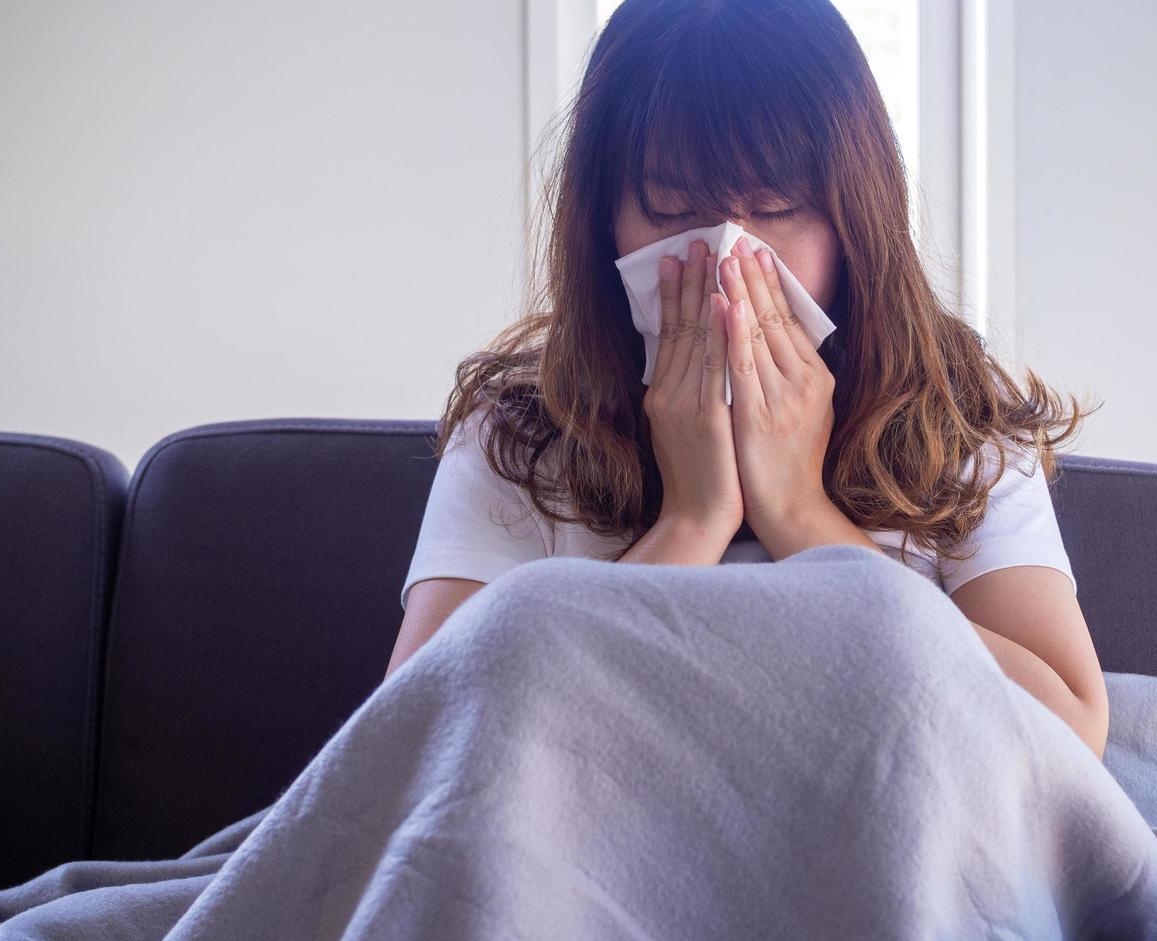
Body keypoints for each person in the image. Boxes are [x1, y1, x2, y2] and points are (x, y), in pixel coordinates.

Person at [386, 0, 1109, 759]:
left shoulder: (955, 423)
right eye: (672, 209)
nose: (730, 257)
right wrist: (690, 524)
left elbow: (1069, 735)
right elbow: (411, 750)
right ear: (606, 218)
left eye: (777, 208)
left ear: (854, 220)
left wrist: (801, 517)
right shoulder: (518, 436)